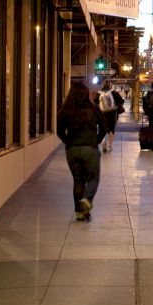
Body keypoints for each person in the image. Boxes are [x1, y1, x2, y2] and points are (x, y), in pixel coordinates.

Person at [58, 81, 107, 221]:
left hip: (72, 150)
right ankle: (86, 200)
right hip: (90, 148)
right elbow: (104, 127)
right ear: (86, 93)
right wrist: (96, 140)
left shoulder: (66, 110)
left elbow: (59, 129)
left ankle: (79, 213)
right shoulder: (93, 109)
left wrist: (68, 142)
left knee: (78, 180)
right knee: (93, 178)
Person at [95, 80, 123, 153]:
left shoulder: (99, 93)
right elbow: (122, 101)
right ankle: (109, 145)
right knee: (111, 129)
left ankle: (103, 141)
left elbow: (95, 101)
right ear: (110, 85)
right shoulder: (114, 92)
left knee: (102, 129)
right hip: (112, 114)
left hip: (102, 114)